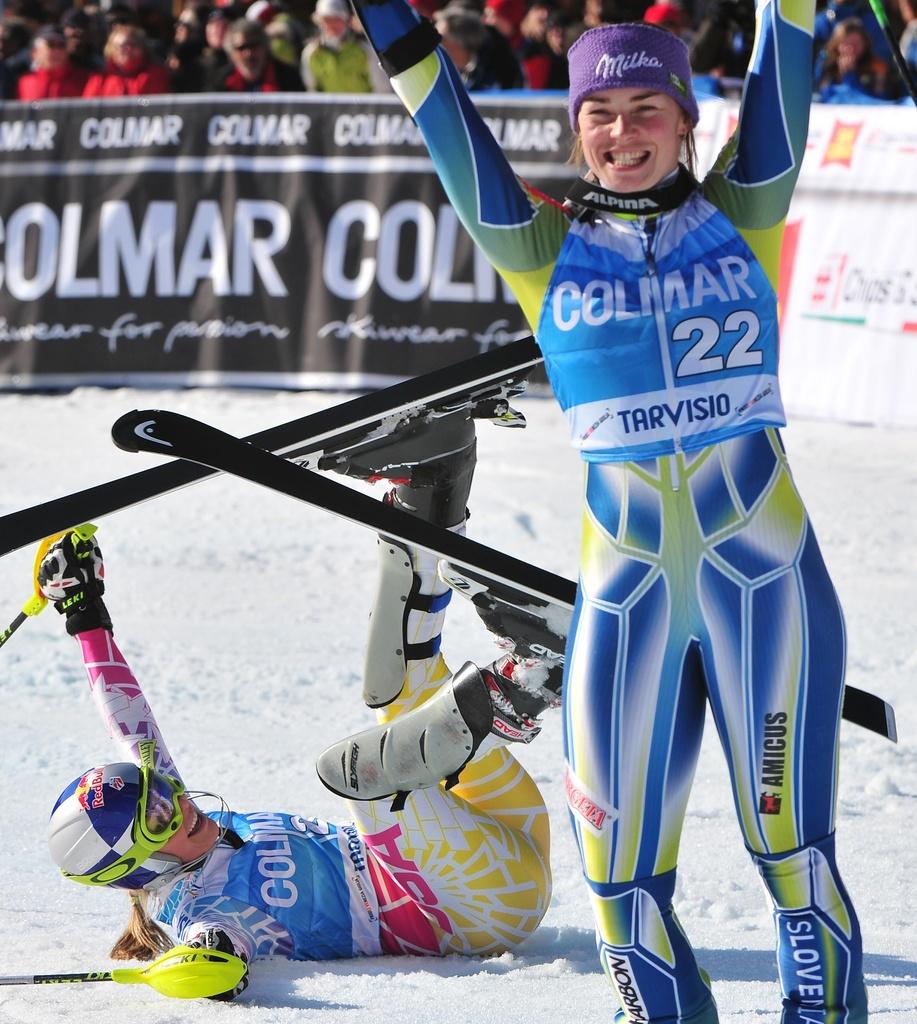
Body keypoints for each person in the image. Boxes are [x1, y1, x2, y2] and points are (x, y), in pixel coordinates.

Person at [316, 2, 871, 1021]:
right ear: (576, 127)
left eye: (643, 108)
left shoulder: (745, 208)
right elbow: (438, 110)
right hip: (630, 599)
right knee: (618, 882)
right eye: (598, 113)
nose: (621, 133)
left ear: (683, 118)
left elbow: (784, 48)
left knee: (791, 858)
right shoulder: (536, 243)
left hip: (765, 587)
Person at [41, 415, 557, 1001]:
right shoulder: (200, 907)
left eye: (159, 791)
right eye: (158, 817)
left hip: (495, 829)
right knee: (357, 773)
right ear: (142, 866)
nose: (177, 802)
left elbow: (129, 718)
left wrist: (82, 613)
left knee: (395, 690)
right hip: (475, 911)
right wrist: (203, 968)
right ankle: (524, 685)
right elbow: (218, 945)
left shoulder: (183, 830)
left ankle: (430, 494)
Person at [301, 0, 384, 92]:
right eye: (327, 19)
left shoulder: (365, 50)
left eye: (337, 19)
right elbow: (312, 90)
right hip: (330, 106)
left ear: (346, 21)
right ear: (319, 22)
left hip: (364, 106)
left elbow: (382, 89)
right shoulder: (311, 53)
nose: (332, 25)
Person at [212, 18, 304, 91]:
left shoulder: (288, 76)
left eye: (254, 46)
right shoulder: (221, 81)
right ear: (231, 52)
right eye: (241, 48)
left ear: (265, 46)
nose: (249, 53)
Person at [83, 24, 171, 96]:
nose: (127, 50)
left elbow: (159, 106)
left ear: (142, 48)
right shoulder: (100, 78)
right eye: (122, 46)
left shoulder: (155, 74)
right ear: (111, 49)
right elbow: (89, 109)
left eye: (133, 45)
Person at [815, 17, 890, 100]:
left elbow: (879, 100)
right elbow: (820, 93)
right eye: (847, 44)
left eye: (856, 43)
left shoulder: (877, 67)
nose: (851, 49)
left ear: (865, 43)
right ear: (837, 45)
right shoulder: (827, 64)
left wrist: (850, 76)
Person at [16, 23, 90, 99]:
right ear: (35, 52)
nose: (57, 51)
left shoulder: (85, 80)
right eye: (50, 45)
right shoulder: (25, 82)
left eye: (61, 45)